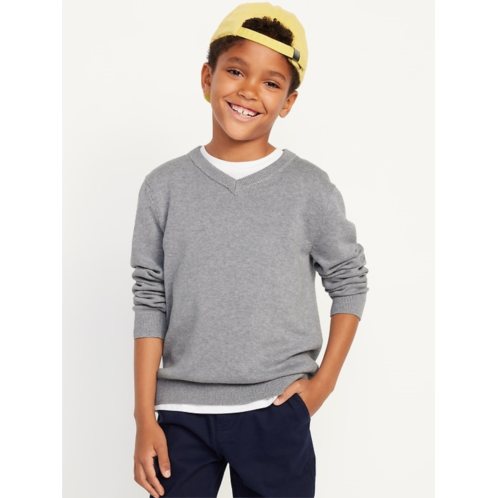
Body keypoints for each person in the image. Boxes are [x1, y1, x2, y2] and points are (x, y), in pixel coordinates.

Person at [130, 3, 369, 497]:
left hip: (275, 410)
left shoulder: (309, 188)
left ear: (288, 102)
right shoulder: (163, 187)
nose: (248, 91)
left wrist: (322, 385)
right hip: (181, 415)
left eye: (271, 82)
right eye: (236, 71)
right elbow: (150, 299)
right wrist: (144, 417)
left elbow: (349, 281)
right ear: (207, 78)